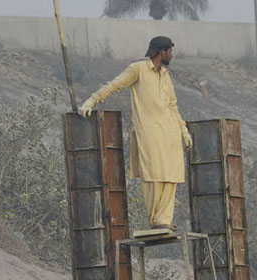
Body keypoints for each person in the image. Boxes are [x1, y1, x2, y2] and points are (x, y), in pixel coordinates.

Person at [78, 36, 193, 232]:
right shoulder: (138, 69)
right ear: (161, 52)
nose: (171, 55)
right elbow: (114, 85)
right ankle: (156, 219)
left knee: (171, 175)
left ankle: (164, 220)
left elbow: (173, 105)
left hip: (170, 132)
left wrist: (183, 130)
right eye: (169, 51)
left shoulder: (165, 75)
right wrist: (91, 101)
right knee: (153, 174)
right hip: (148, 132)